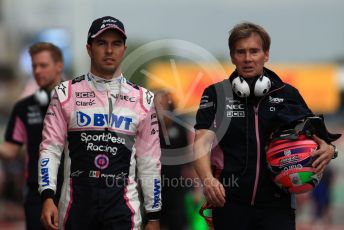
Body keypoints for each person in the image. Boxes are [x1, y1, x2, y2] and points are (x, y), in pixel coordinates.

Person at [193, 22, 338, 230]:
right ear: (233, 57)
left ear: (266, 54)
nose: (247, 58)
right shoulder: (216, 94)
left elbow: (317, 138)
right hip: (229, 203)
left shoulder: (288, 94)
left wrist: (328, 149)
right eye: (240, 52)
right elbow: (200, 142)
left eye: (254, 51)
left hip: (277, 206)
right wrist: (207, 180)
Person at [38, 16, 162, 230]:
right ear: (89, 48)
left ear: (124, 49)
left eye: (116, 44)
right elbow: (50, 148)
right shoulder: (66, 93)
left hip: (123, 208)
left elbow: (150, 162)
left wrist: (153, 215)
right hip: (76, 207)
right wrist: (47, 196)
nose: (109, 50)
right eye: (101, 43)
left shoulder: (144, 99)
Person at [0, 42, 64, 230]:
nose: (37, 71)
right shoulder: (23, 107)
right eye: (34, 66)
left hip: (72, 192)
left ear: (59, 65)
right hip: (36, 193)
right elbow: (11, 150)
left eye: (43, 65)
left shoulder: (77, 103)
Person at [154, 90, 189, 230]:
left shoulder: (179, 127)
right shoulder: (149, 127)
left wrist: (197, 189)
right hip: (154, 185)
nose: (161, 107)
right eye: (157, 103)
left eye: (164, 103)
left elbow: (188, 158)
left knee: (178, 222)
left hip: (176, 184)